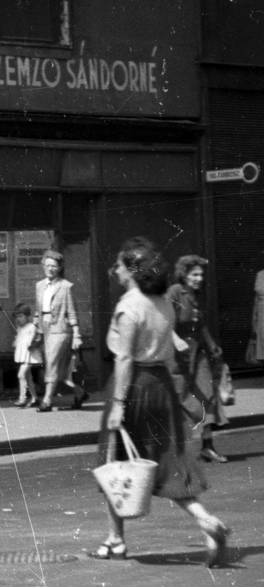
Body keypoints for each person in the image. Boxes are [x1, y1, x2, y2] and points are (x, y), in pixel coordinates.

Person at [90, 238, 229, 567]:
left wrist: (120, 404)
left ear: (133, 271)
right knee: (168, 461)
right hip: (161, 386)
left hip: (133, 386)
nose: (118, 272)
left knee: (116, 462)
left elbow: (124, 358)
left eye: (122, 267)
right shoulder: (164, 304)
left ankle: (116, 540)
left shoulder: (129, 307)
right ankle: (206, 521)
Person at [169, 255, 229, 463]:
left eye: (201, 274)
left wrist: (213, 347)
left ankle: (208, 446)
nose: (199, 278)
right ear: (184, 275)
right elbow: (163, 320)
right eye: (195, 274)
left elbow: (201, 325)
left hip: (198, 353)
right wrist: (175, 340)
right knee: (182, 399)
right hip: (177, 355)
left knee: (207, 394)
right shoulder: (176, 292)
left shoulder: (198, 295)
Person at [35, 251, 83, 411]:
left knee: (52, 361)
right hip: (46, 329)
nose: (50, 269)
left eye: (54, 266)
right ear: (43, 266)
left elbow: (72, 312)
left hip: (62, 329)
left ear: (60, 267)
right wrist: (36, 328)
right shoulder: (39, 286)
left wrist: (76, 334)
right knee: (60, 370)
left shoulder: (66, 287)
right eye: (47, 265)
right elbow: (38, 309)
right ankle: (80, 393)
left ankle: (47, 400)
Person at [11, 305, 42, 408]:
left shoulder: (32, 327)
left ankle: (22, 398)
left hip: (29, 356)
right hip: (24, 356)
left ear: (28, 316)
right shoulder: (20, 328)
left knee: (21, 375)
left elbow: (32, 340)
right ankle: (35, 398)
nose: (18, 319)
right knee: (28, 378)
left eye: (21, 316)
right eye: (17, 317)